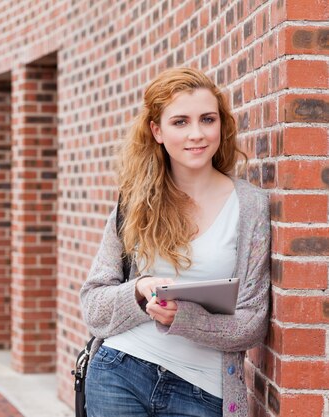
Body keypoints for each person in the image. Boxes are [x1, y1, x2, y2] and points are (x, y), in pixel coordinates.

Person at [80, 67, 270, 417]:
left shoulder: (250, 207)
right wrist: (139, 290)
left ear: (221, 125)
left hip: (203, 394)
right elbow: (93, 306)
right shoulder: (136, 203)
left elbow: (251, 323)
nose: (196, 134)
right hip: (120, 372)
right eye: (180, 122)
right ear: (157, 131)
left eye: (207, 119)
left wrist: (181, 318)